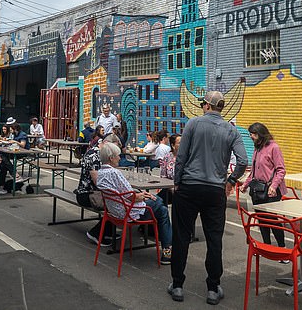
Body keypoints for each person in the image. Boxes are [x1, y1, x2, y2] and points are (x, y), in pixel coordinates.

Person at [168, 90, 248, 305]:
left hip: (189, 187)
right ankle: (213, 288)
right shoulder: (231, 130)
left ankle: (177, 285)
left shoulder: (193, 124)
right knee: (214, 240)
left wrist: (177, 182)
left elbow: (181, 156)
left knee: (181, 235)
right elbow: (243, 161)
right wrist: (231, 181)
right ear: (221, 107)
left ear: (207, 105)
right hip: (215, 190)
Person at [96, 141, 173, 265]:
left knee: (160, 207)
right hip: (128, 213)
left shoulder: (101, 173)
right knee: (161, 205)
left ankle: (166, 248)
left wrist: (142, 195)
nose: (119, 158)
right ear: (111, 158)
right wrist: (143, 195)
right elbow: (131, 197)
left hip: (114, 212)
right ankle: (167, 250)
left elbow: (125, 195)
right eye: (117, 156)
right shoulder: (115, 173)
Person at [240, 122, 288, 254]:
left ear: (261, 134)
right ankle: (267, 247)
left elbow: (281, 170)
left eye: (253, 134)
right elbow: (253, 171)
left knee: (272, 220)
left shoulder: (274, 147)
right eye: (250, 134)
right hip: (257, 190)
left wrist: (274, 186)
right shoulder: (258, 148)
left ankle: (281, 248)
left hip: (271, 191)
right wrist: (245, 184)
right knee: (261, 219)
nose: (251, 136)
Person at [75, 135, 118, 245]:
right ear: (107, 144)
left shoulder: (96, 152)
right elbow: (97, 181)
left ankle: (108, 231)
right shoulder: (95, 156)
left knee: (117, 200)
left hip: (91, 193)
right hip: (87, 195)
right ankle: (96, 233)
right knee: (116, 204)